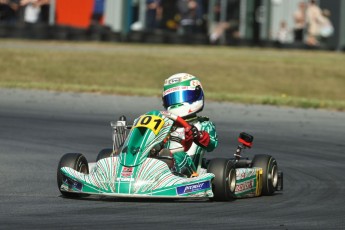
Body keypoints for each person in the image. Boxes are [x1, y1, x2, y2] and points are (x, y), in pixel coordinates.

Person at [161, 73, 218, 177]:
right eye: (172, 99)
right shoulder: (164, 125)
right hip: (161, 165)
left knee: (177, 155)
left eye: (182, 96)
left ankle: (171, 173)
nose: (177, 103)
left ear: (196, 95)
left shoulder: (204, 125)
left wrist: (198, 135)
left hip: (192, 171)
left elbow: (212, 145)